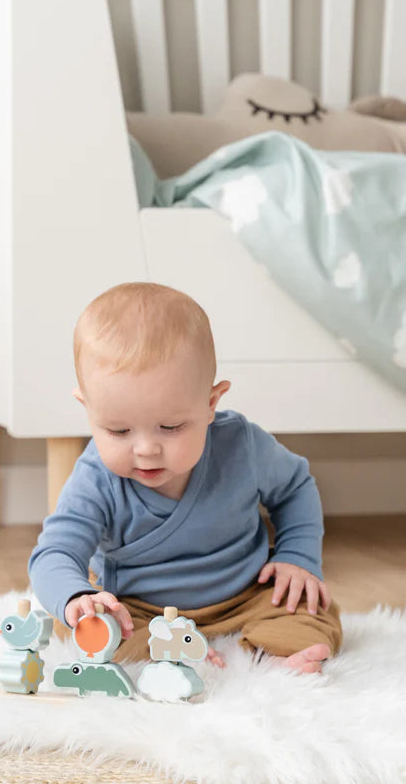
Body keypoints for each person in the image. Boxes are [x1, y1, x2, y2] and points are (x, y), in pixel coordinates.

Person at [28, 282, 342, 673]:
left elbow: (296, 488)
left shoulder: (241, 445)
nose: (145, 449)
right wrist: (77, 596)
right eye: (118, 431)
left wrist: (298, 557)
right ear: (88, 409)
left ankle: (278, 656)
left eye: (171, 426)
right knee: (86, 629)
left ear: (211, 403)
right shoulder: (96, 478)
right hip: (140, 607)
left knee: (310, 605)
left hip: (245, 592)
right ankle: (170, 655)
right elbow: (54, 553)